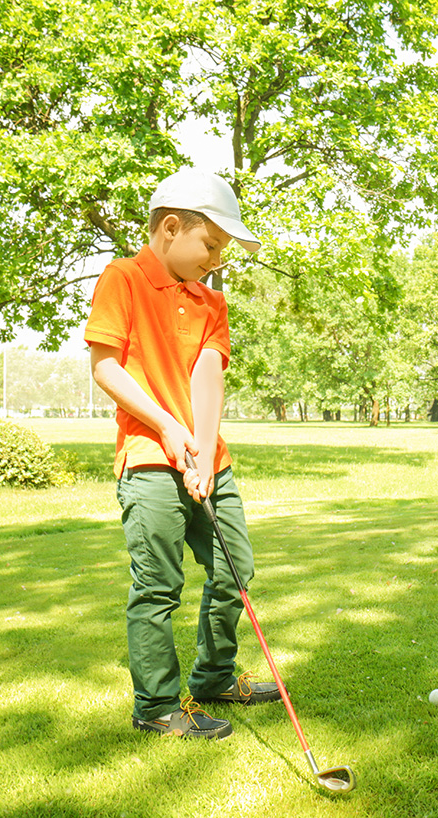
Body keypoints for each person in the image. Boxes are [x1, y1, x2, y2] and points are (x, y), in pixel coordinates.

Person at [84, 168, 280, 740]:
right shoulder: (122, 278)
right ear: (171, 228)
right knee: (158, 584)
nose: (217, 259)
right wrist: (170, 429)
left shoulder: (209, 301)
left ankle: (214, 678)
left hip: (206, 461)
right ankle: (157, 707)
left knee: (234, 570)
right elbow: (106, 367)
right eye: (211, 244)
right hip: (148, 456)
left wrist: (201, 452)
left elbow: (208, 375)